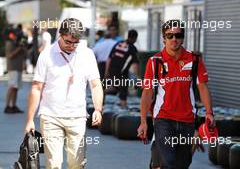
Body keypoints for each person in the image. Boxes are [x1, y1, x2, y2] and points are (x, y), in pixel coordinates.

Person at [24, 18, 103, 169]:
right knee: (53, 164)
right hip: (50, 116)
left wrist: (98, 109)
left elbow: (95, 84)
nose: (72, 46)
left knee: (77, 163)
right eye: (68, 42)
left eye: (76, 43)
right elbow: (36, 88)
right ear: (60, 35)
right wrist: (29, 120)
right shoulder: (46, 55)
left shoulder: (87, 54)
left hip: (77, 117)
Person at [137, 19, 215, 169]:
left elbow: (203, 88)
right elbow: (147, 93)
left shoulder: (194, 59)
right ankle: (157, 159)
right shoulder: (154, 62)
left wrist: (209, 113)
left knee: (182, 164)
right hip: (163, 119)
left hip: (187, 120)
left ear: (183, 37)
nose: (174, 39)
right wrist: (143, 121)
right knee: (169, 163)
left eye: (178, 35)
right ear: (163, 38)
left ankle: (156, 159)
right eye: (169, 35)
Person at [104, 29, 139, 107]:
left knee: (115, 88)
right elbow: (135, 64)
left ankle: (101, 93)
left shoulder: (118, 43)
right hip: (121, 72)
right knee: (122, 93)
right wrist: (137, 77)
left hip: (112, 69)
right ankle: (123, 107)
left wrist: (107, 71)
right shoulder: (132, 48)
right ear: (135, 38)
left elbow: (109, 59)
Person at [4, 28, 27, 113]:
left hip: (18, 67)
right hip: (12, 68)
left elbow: (25, 53)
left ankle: (13, 106)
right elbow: (10, 55)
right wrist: (19, 48)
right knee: (11, 86)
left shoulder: (17, 43)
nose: (16, 36)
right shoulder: (9, 43)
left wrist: (23, 46)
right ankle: (7, 106)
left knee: (16, 88)